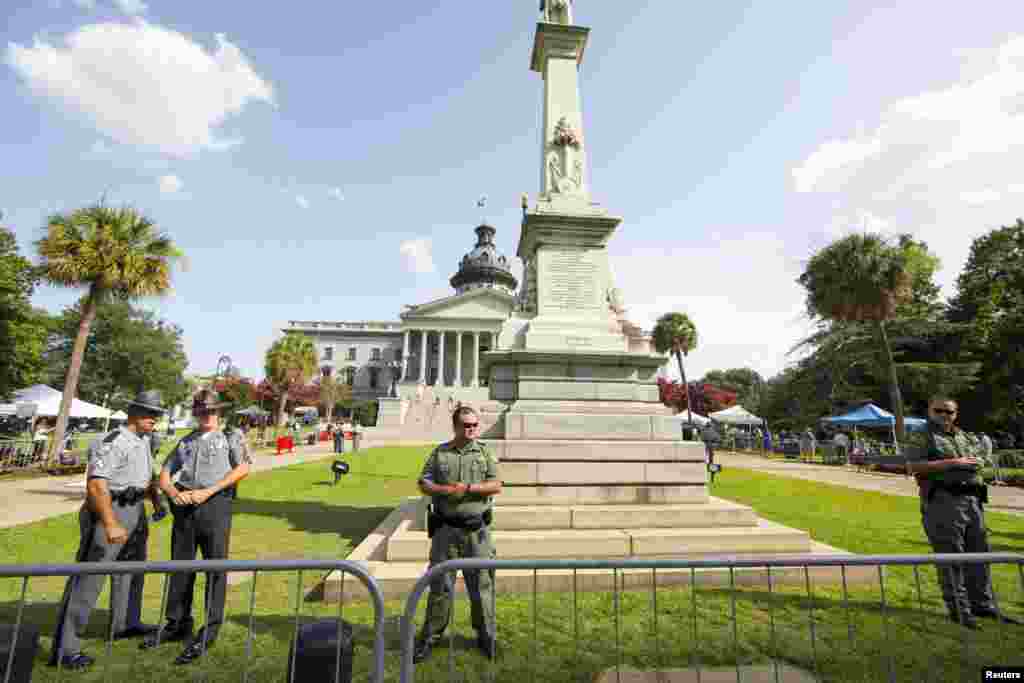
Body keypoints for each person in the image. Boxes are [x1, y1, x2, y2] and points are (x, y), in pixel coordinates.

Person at [49, 391, 167, 670]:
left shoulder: (144, 440)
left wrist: (156, 501)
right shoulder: (112, 441)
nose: (154, 419)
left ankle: (125, 623)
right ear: (133, 413)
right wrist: (111, 522)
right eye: (149, 413)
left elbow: (145, 477)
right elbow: (97, 485)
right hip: (110, 511)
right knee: (89, 579)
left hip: (135, 511)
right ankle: (66, 649)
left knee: (131, 573)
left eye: (157, 414)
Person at [142, 389, 252, 664]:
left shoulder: (231, 436)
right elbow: (166, 471)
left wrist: (209, 491)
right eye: (201, 410)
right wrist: (172, 492)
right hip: (185, 506)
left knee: (215, 567)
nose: (206, 415)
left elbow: (243, 469)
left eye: (211, 410)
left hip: (214, 506)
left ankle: (210, 629)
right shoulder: (187, 440)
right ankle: (177, 622)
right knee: (180, 566)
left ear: (219, 412)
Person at [907, 397, 1020, 629]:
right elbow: (913, 465)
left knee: (979, 555)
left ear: (955, 414)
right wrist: (952, 462)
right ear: (930, 411)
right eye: (938, 411)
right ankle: (959, 609)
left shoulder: (963, 435)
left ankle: (982, 605)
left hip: (972, 500)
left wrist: (978, 461)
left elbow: (979, 458)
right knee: (951, 556)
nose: (944, 415)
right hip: (943, 500)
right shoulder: (923, 434)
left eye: (949, 412)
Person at [414, 406, 502, 663]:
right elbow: (423, 482)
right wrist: (443, 490)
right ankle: (431, 636)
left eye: (475, 425)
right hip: (446, 531)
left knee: (483, 586)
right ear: (455, 426)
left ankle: (486, 636)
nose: (472, 429)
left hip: (477, 531)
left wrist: (468, 488)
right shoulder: (440, 453)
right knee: (440, 586)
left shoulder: (484, 452)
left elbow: (496, 485)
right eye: (466, 425)